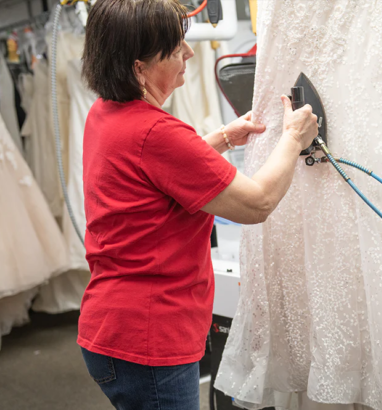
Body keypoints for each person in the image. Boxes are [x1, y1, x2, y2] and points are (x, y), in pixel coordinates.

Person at [77, 0, 318, 408]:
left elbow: (151, 174)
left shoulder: (106, 113)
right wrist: (294, 139)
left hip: (112, 327)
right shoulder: (156, 132)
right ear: (139, 68)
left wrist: (222, 138)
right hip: (149, 338)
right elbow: (257, 204)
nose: (189, 53)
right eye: (176, 49)